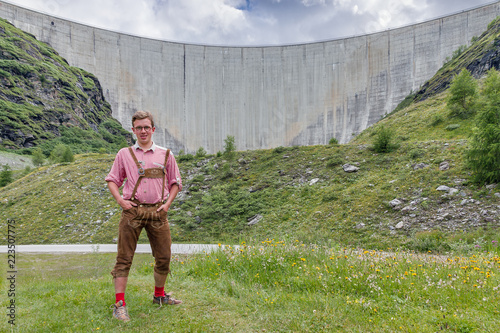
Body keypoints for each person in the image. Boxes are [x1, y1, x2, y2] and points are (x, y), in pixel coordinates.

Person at [105, 110, 183, 322]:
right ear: (133, 130)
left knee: (164, 257)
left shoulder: (166, 154)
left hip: (158, 212)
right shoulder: (124, 154)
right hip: (133, 212)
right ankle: (119, 305)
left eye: (146, 127)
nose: (143, 131)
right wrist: (121, 201)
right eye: (138, 128)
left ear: (153, 129)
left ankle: (159, 297)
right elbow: (112, 179)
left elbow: (175, 182)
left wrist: (167, 205)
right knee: (124, 258)